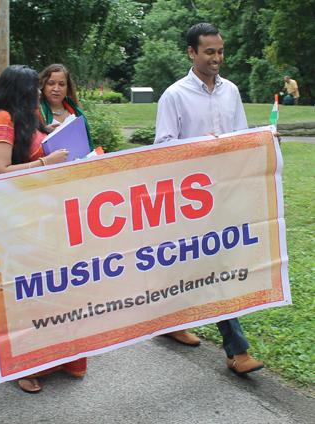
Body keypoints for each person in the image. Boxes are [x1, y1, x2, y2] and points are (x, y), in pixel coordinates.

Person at [154, 23, 266, 375]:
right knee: (218, 267)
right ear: (191, 52)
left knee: (195, 264)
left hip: (227, 193)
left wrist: (262, 143)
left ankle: (169, 320)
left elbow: (242, 136)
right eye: (209, 52)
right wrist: (202, 145)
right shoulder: (174, 95)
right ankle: (237, 350)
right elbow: (162, 147)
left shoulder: (231, 91)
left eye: (220, 51)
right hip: (191, 200)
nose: (217, 58)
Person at [0, 64, 86, 392]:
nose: (40, 93)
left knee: (55, 290)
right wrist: (45, 162)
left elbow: (34, 146)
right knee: (26, 293)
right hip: (19, 220)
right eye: (34, 88)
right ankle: (24, 365)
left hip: (46, 214)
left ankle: (60, 355)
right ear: (20, 90)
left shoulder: (27, 118)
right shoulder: (2, 118)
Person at [38, 63, 94, 151]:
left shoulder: (76, 111)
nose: (56, 89)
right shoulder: (35, 111)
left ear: (68, 87)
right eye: (51, 83)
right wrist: (43, 130)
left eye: (61, 84)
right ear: (43, 85)